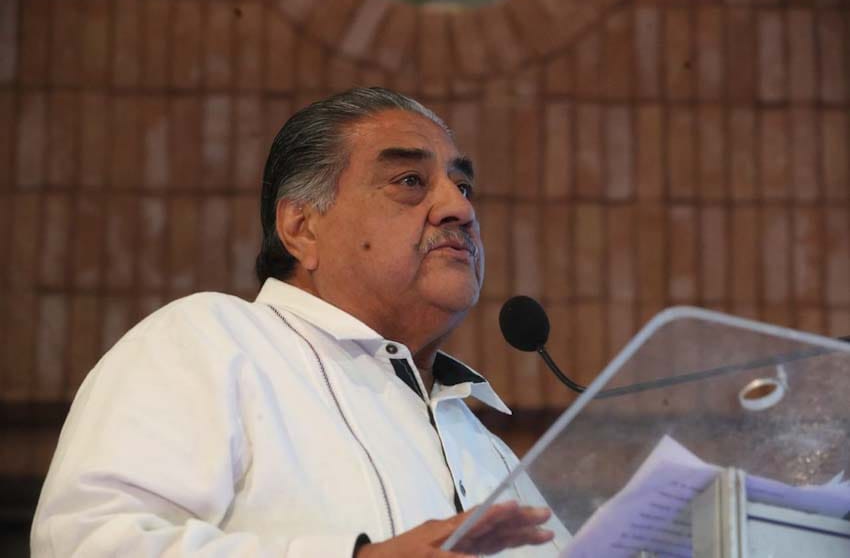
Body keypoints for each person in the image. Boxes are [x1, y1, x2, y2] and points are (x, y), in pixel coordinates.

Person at [31, 87, 565, 557]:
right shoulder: (209, 342)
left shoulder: (486, 447)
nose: (459, 209)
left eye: (463, 187)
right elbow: (85, 543)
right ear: (302, 228)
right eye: (409, 180)